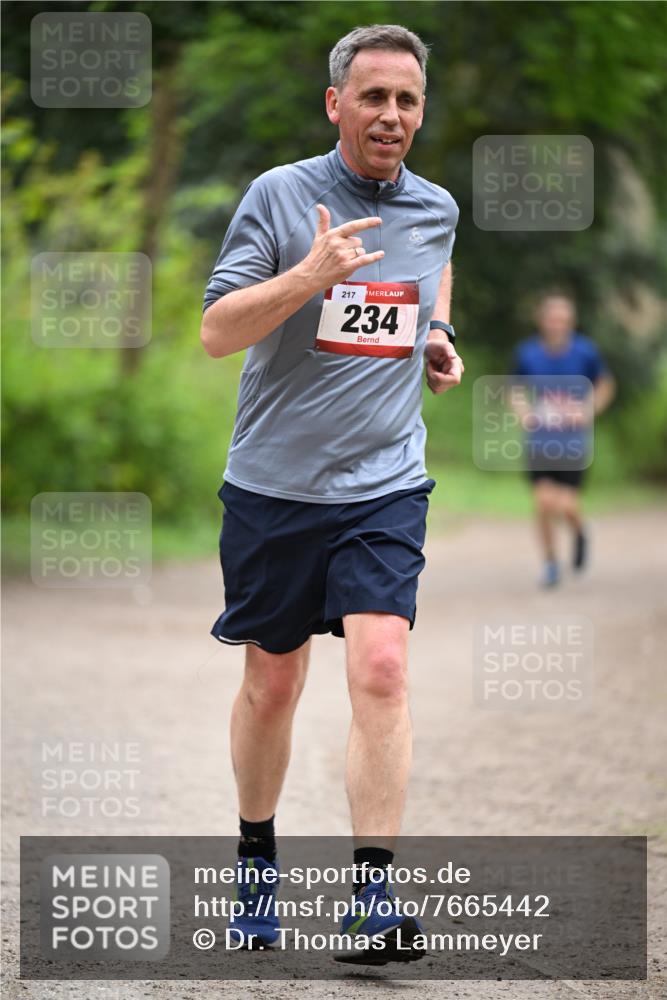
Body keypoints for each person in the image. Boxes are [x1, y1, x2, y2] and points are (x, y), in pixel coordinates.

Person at [200, 24, 463, 963]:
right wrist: (308, 276)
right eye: (373, 97)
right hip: (274, 485)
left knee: (382, 668)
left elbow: (426, 294)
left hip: (384, 482)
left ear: (420, 111)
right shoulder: (279, 195)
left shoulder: (435, 209)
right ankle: (256, 866)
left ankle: (372, 896)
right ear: (335, 105)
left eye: (406, 100)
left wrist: (435, 341)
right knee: (273, 683)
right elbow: (217, 332)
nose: (390, 115)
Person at [511, 293, 615, 588]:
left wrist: (587, 410)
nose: (557, 324)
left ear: (571, 322)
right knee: (544, 502)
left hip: (572, 443)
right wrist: (525, 413)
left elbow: (605, 384)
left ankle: (580, 530)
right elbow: (514, 389)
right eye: (552, 318)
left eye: (563, 319)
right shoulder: (527, 353)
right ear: (542, 320)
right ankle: (550, 564)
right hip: (540, 441)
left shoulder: (585, 352)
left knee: (566, 505)